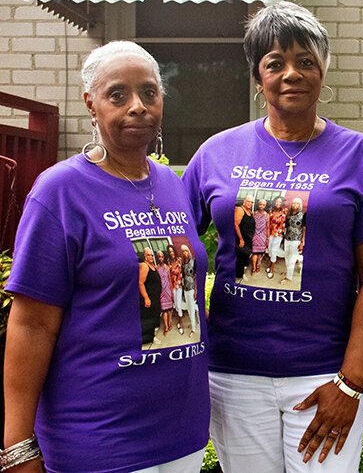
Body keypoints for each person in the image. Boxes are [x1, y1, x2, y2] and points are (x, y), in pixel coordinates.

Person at [182, 1, 363, 472]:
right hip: (233, 374)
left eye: (306, 61)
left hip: (324, 371)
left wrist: (350, 381)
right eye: (275, 63)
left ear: (323, 69)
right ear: (256, 76)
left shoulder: (358, 154)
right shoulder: (216, 153)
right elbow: (178, 251)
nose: (292, 73)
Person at [3, 41, 209, 472]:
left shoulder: (173, 185)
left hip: (182, 435)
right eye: (118, 94)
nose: (137, 106)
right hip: (98, 439)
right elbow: (32, 324)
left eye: (149, 93)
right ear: (91, 104)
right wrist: (19, 446)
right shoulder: (59, 192)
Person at [139, 246, 163, 346]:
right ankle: (148, 339)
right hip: (149, 298)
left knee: (155, 317)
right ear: (145, 256)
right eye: (148, 255)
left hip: (155, 297)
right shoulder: (144, 266)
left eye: (151, 255)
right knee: (149, 319)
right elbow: (140, 282)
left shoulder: (153, 266)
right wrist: (146, 298)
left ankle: (152, 336)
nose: (151, 256)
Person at [281, 197, 306, 285]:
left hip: (296, 240)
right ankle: (289, 272)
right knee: (287, 257)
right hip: (287, 239)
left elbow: (304, 229)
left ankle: (288, 278)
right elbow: (286, 226)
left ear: (300, 205)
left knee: (292, 259)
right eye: (294, 203)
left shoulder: (303, 215)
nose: (295, 205)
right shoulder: (289, 214)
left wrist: (302, 242)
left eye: (297, 203)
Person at [234, 195, 255, 281]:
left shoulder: (250, 212)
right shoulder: (240, 209)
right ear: (244, 201)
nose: (250, 203)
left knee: (245, 257)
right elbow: (236, 224)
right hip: (242, 239)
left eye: (252, 202)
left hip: (248, 239)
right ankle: (238, 276)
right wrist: (241, 239)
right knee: (240, 258)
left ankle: (241, 273)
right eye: (248, 201)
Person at [266, 196, 287, 279]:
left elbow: (286, 223)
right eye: (276, 201)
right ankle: (270, 264)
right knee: (270, 250)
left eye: (280, 202)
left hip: (278, 234)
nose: (278, 203)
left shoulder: (284, 211)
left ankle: (272, 269)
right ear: (274, 202)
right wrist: (267, 234)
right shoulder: (271, 211)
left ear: (282, 203)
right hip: (270, 233)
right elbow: (268, 223)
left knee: (274, 250)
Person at [181, 245, 200, 338]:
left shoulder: (193, 262)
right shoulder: (183, 264)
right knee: (189, 308)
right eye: (183, 252)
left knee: (192, 308)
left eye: (186, 251)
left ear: (189, 252)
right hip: (185, 288)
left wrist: (196, 290)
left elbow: (196, 276)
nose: (185, 253)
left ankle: (193, 329)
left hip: (192, 288)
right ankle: (193, 324)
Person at [167, 243, 185, 335]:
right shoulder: (169, 262)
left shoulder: (179, 260)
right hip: (172, 286)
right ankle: (179, 319)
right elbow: (169, 276)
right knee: (175, 304)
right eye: (170, 252)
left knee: (178, 304)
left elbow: (182, 273)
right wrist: (170, 287)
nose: (171, 253)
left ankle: (181, 323)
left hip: (179, 285)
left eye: (172, 251)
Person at [251, 198, 270, 275]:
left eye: (263, 205)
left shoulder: (267, 215)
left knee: (259, 253)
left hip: (263, 236)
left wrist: (268, 238)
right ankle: (254, 268)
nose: (261, 206)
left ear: (265, 206)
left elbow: (267, 227)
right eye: (260, 204)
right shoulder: (253, 213)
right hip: (255, 236)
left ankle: (257, 266)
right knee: (255, 253)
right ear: (258, 205)